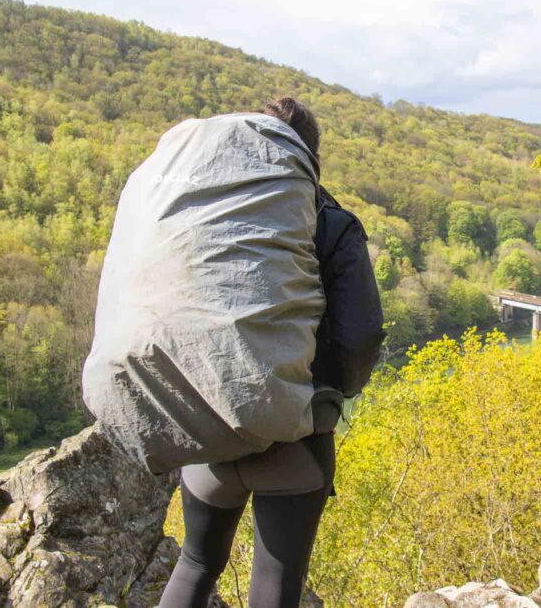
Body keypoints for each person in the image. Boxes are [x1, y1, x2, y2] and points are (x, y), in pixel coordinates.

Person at [159, 98, 385, 608]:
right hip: (293, 440)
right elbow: (360, 337)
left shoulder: (205, 210)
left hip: (207, 429)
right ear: (312, 155)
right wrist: (332, 393)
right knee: (274, 587)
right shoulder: (332, 224)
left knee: (195, 565)